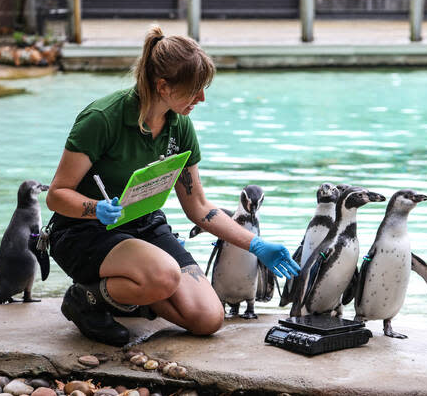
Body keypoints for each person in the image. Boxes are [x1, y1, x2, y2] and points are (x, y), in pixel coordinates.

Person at [46, 25, 300, 346]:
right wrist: (95, 208)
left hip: (143, 226)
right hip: (85, 231)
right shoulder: (102, 118)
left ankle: (132, 293)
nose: (202, 98)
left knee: (208, 319)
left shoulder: (180, 127)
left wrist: (256, 245)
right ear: (163, 86)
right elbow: (56, 195)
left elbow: (199, 208)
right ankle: (85, 300)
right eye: (195, 89)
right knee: (164, 276)